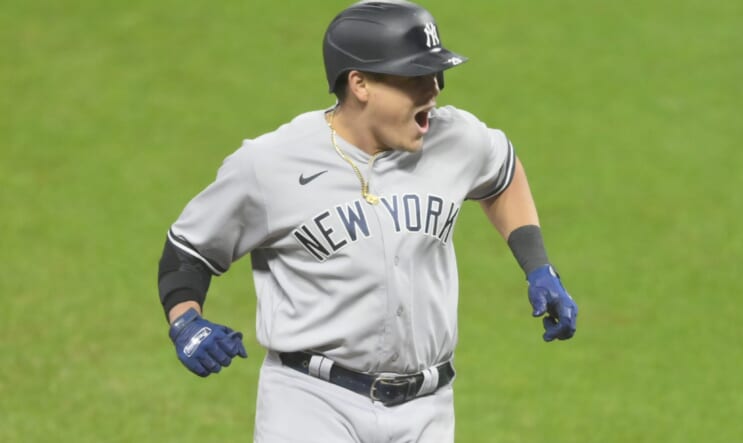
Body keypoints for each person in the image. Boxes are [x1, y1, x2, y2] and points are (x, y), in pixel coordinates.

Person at [157, 1, 578, 442]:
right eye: (415, 78)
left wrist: (538, 267)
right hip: (311, 403)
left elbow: (503, 174)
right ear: (360, 84)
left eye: (437, 75)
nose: (433, 90)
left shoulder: (456, 140)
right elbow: (188, 251)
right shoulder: (269, 165)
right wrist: (187, 322)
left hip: (428, 408)